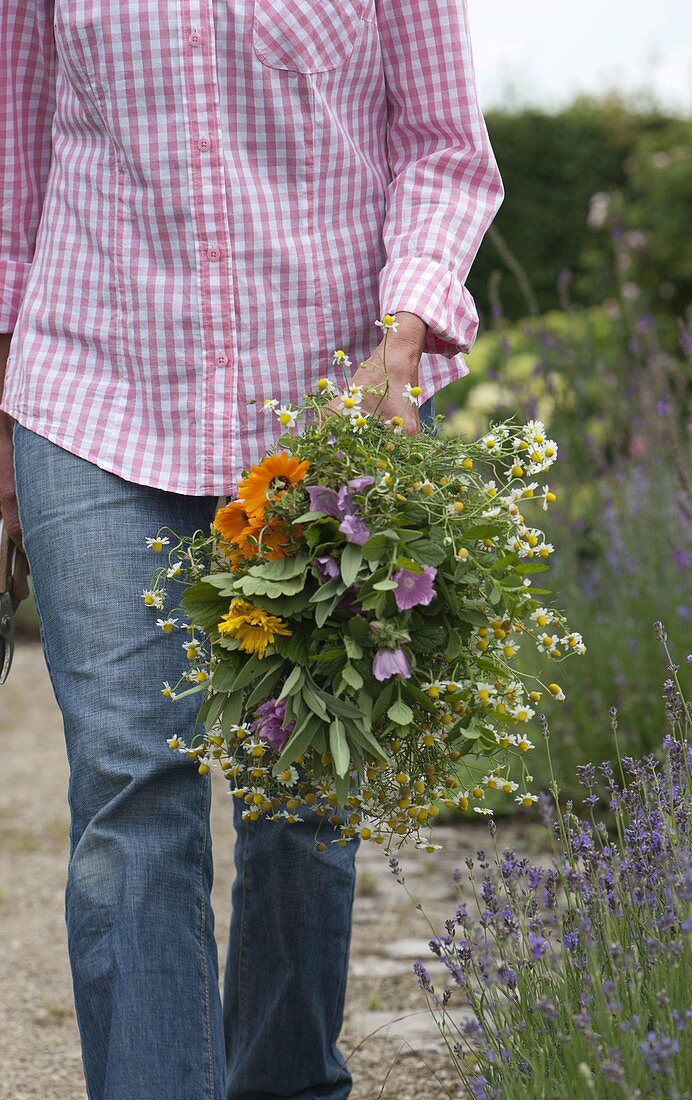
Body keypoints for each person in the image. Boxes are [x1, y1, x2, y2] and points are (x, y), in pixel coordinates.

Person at [0, 1, 503, 1096]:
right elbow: (11, 151)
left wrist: (403, 335)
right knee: (131, 776)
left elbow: (442, 146)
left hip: (324, 400)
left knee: (301, 792)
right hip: (92, 388)